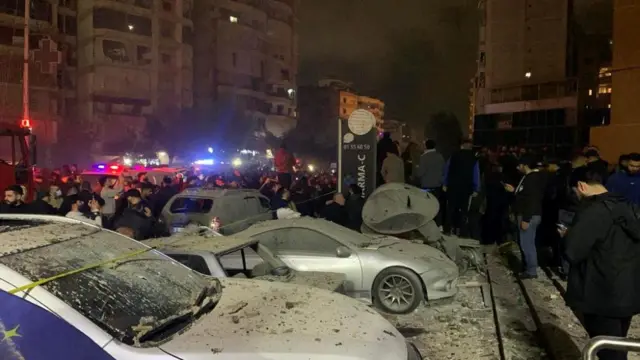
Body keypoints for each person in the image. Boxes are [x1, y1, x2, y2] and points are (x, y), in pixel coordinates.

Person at [562, 167, 640, 360]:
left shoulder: (594, 211)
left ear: (581, 186)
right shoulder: (626, 206)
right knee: (617, 344)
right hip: (626, 291)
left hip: (601, 292)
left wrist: (567, 236)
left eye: (575, 192)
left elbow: (573, 251)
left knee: (609, 352)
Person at [504, 154, 547, 279]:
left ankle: (531, 270)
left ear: (525, 165)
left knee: (527, 243)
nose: (518, 167)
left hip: (528, 215)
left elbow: (531, 200)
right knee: (526, 242)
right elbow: (525, 195)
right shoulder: (530, 177)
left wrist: (526, 219)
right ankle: (527, 266)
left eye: (520, 165)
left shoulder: (532, 179)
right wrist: (514, 191)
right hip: (529, 214)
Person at [443, 140, 480, 236]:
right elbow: (475, 174)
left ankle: (448, 229)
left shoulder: (453, 156)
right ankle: (462, 231)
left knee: (450, 208)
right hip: (466, 188)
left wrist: (445, 183)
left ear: (462, 146)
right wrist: (476, 188)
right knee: (463, 210)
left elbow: (447, 170)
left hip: (453, 186)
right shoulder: (474, 158)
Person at [415, 139, 446, 226]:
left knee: (427, 205)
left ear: (426, 146)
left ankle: (427, 224)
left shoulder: (423, 157)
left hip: (426, 185)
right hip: (437, 185)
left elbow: (420, 173)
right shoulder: (440, 156)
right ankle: (439, 224)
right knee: (437, 205)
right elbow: (444, 171)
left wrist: (416, 168)